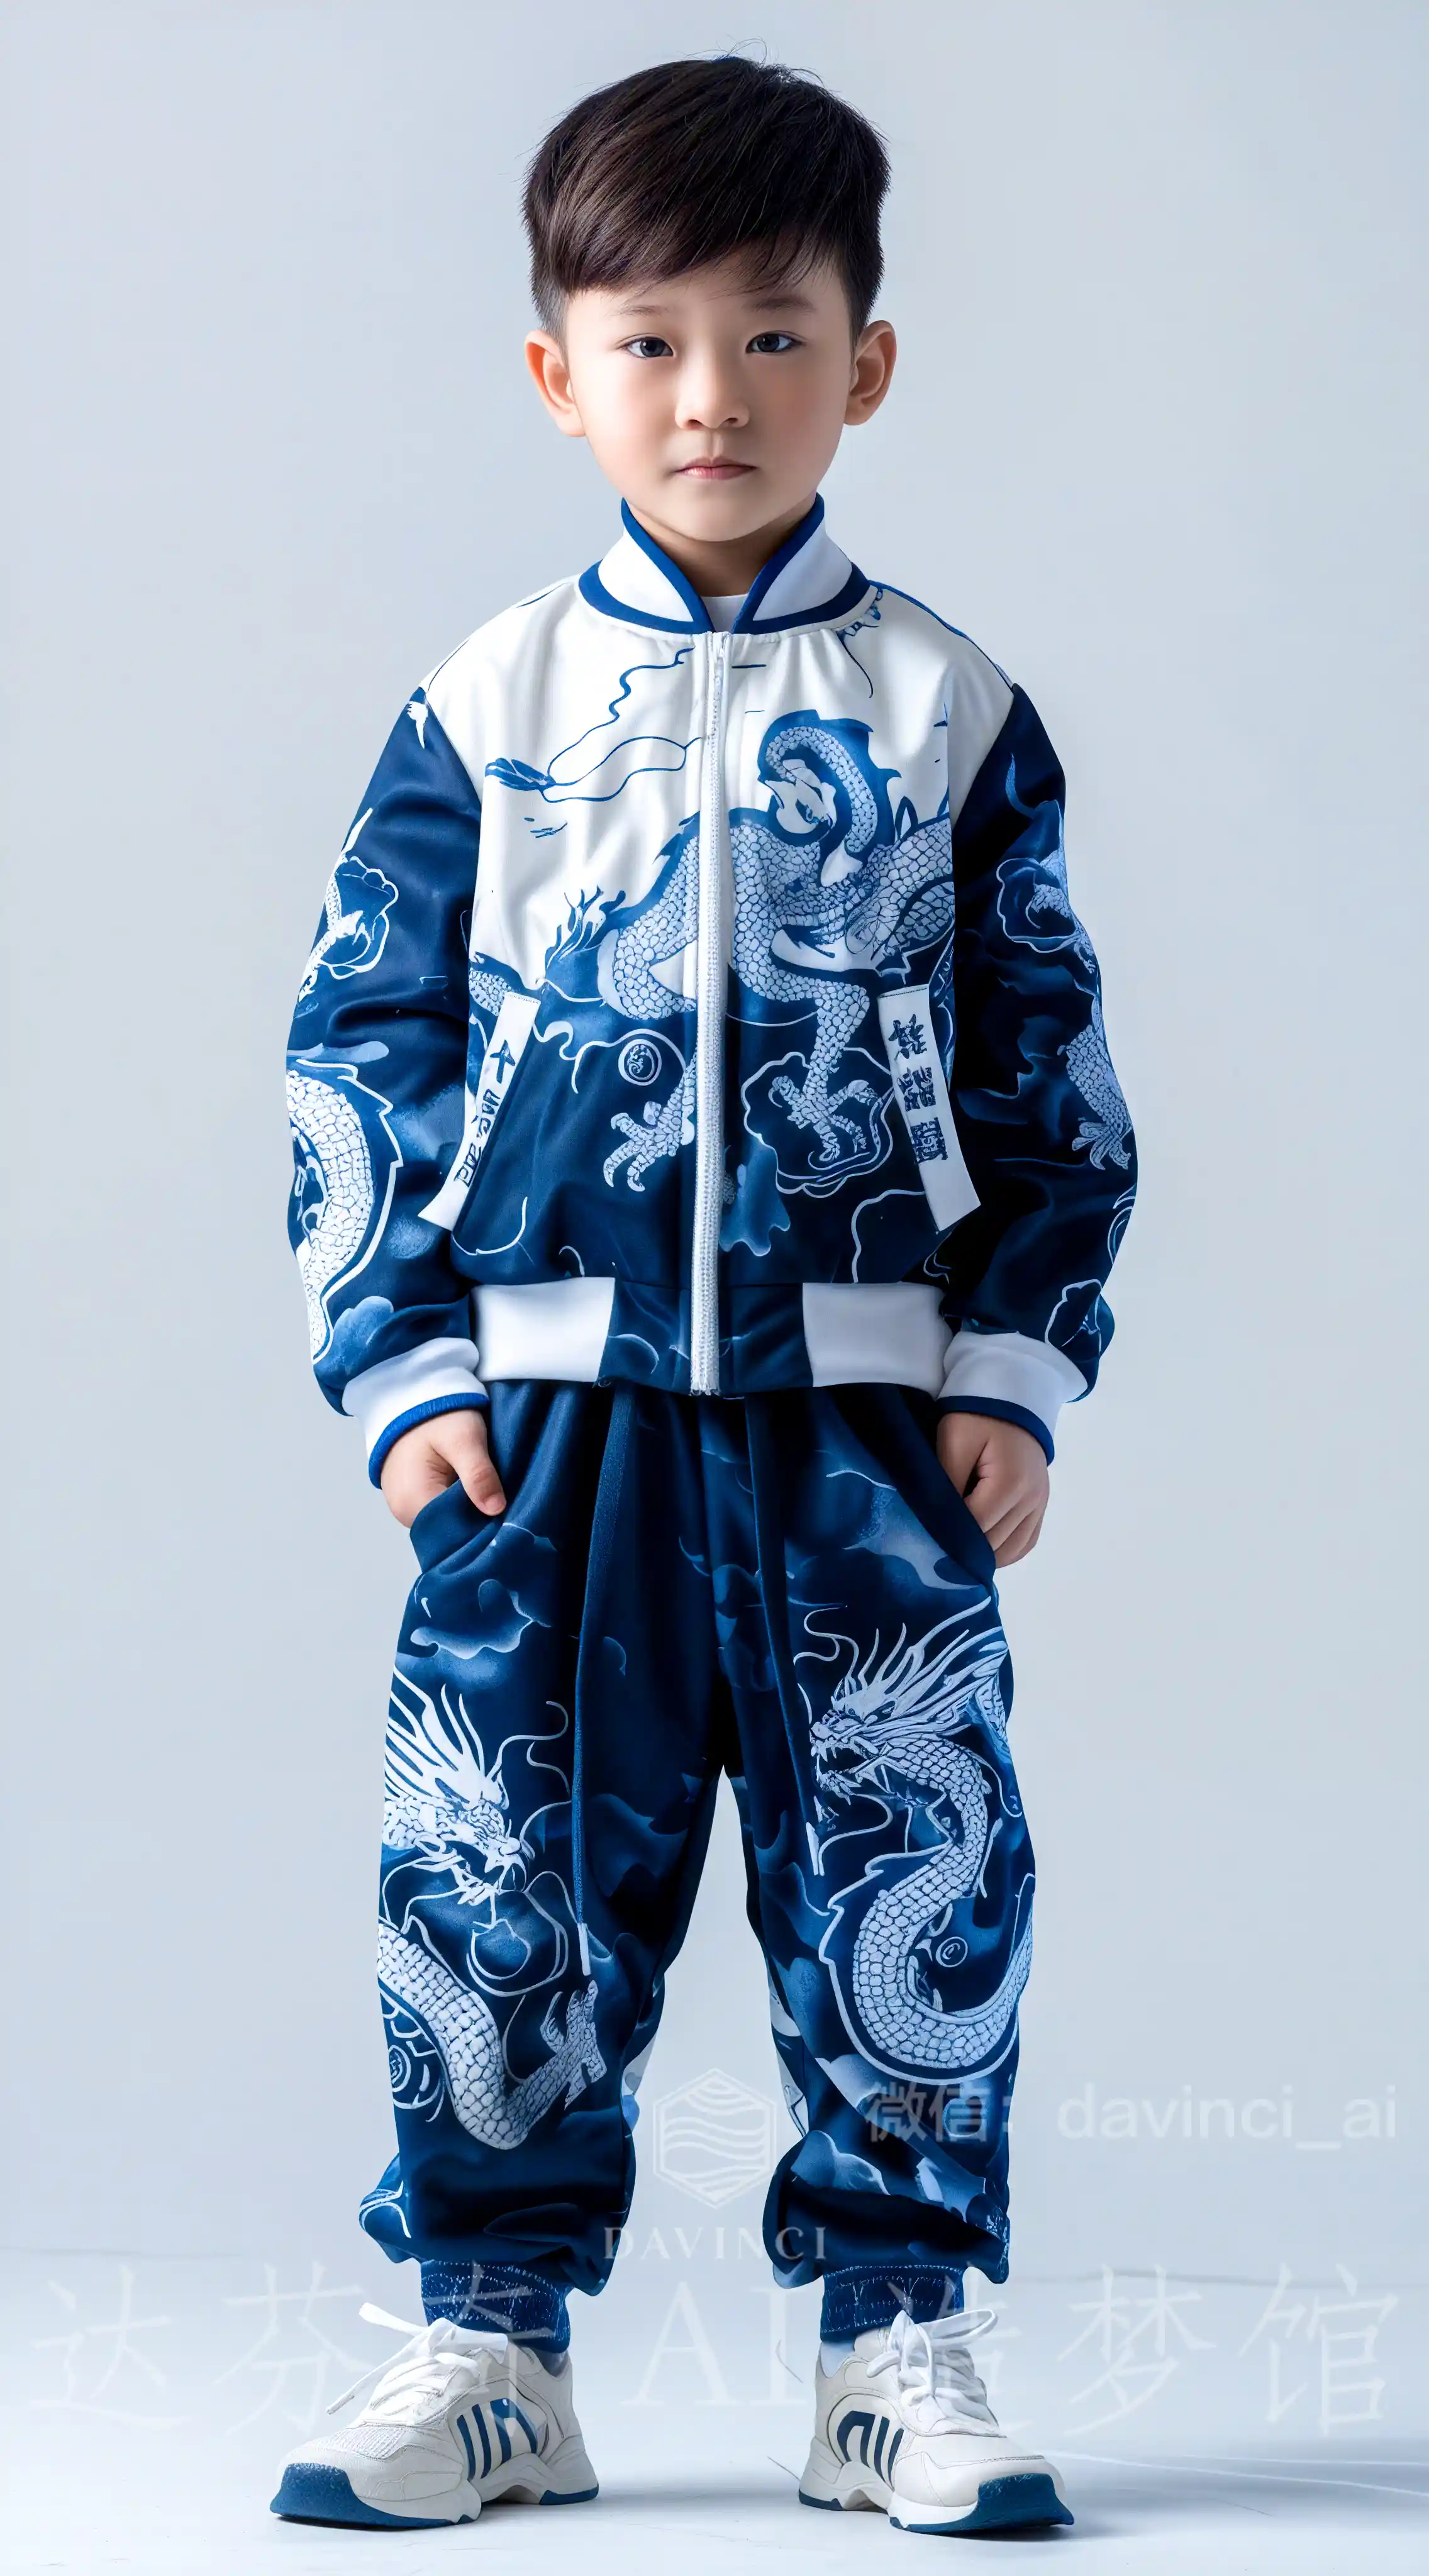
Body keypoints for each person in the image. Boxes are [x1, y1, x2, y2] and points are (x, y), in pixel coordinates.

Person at [274, 53, 1133, 2536]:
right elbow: (360, 1044)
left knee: (906, 1862)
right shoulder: (487, 706)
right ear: (559, 374)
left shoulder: (949, 713)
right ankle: (490, 2345)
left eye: (772, 336)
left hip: (862, 1428)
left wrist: (1013, 1363)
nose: (710, 397)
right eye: (647, 342)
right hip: (544, 1428)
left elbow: (1049, 1062)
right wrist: (402, 1363)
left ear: (869, 362)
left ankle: (897, 2348)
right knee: (497, 1878)